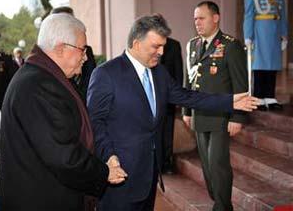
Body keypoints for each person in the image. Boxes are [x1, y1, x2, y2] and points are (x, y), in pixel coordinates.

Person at [87, 15, 258, 211]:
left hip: (150, 174)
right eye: (155, 46)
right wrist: (109, 157)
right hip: (120, 175)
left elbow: (188, 97)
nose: (161, 52)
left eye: (163, 46)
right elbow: (95, 122)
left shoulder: (159, 72)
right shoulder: (106, 74)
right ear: (136, 43)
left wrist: (229, 101)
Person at [0, 13, 127, 211]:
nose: (85, 57)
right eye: (82, 49)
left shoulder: (40, 76)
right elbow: (63, 155)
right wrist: (104, 172)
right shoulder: (37, 86)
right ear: (61, 48)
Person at [182, 1, 248, 211]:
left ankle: (222, 206)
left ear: (216, 18)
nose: (197, 23)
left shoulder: (230, 45)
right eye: (195, 19)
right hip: (200, 114)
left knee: (218, 165)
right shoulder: (193, 45)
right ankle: (218, 200)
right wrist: (186, 110)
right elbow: (189, 80)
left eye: (201, 18)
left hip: (221, 116)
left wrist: (237, 117)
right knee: (208, 167)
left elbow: (240, 84)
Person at [243, 0, 288, 111]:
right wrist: (248, 36)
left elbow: (283, 15)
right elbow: (249, 14)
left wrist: (284, 35)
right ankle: (259, 98)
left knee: (272, 64)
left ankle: (269, 97)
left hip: (274, 32)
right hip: (259, 32)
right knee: (259, 64)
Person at [51, 6, 97, 102]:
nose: (85, 58)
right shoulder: (49, 56)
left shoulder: (87, 50)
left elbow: (92, 76)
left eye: (72, 20)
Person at [160, 36, 183, 174]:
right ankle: (157, 163)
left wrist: (178, 95)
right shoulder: (146, 43)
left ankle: (167, 162)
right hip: (150, 96)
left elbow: (178, 71)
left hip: (169, 97)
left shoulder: (174, 44)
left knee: (168, 130)